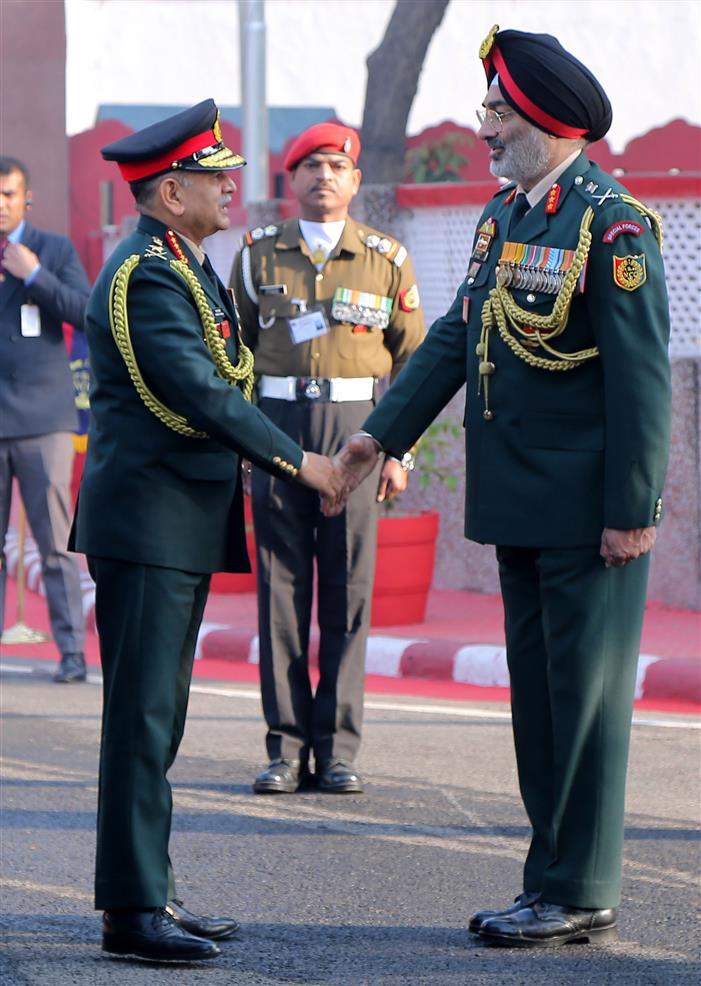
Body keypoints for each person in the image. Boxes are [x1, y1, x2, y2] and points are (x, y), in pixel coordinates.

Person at [333, 26, 671, 948]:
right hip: (520, 503)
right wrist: (375, 435)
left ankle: (583, 885)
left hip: (586, 513)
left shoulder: (613, 223)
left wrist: (631, 513)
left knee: (587, 706)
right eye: (486, 108)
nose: (484, 125)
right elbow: (452, 336)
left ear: (546, 121)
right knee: (540, 703)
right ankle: (549, 881)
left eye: (497, 111)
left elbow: (641, 383)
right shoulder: (505, 216)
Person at [68, 100, 346, 963]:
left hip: (172, 523)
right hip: (148, 524)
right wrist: (302, 465)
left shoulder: (184, 261)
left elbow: (228, 374)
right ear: (167, 192)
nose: (230, 187)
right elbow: (203, 391)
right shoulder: (148, 273)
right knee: (142, 721)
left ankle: (151, 888)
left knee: (160, 719)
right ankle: (130, 911)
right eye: (211, 176)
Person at [230, 123, 425, 796]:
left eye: (337, 166)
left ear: (354, 181)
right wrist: (246, 447)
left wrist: (396, 450)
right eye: (311, 165)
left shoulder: (385, 257)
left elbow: (414, 364)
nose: (324, 176)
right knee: (280, 593)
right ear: (291, 179)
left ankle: (337, 750)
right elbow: (235, 359)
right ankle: (283, 749)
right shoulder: (257, 255)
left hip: (358, 434)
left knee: (348, 594)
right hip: (278, 427)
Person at [0, 157, 90, 683]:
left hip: (44, 420)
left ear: (26, 199)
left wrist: (32, 273)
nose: (1, 204)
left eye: (10, 194)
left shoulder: (54, 250)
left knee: (54, 544)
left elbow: (85, 311)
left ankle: (72, 651)